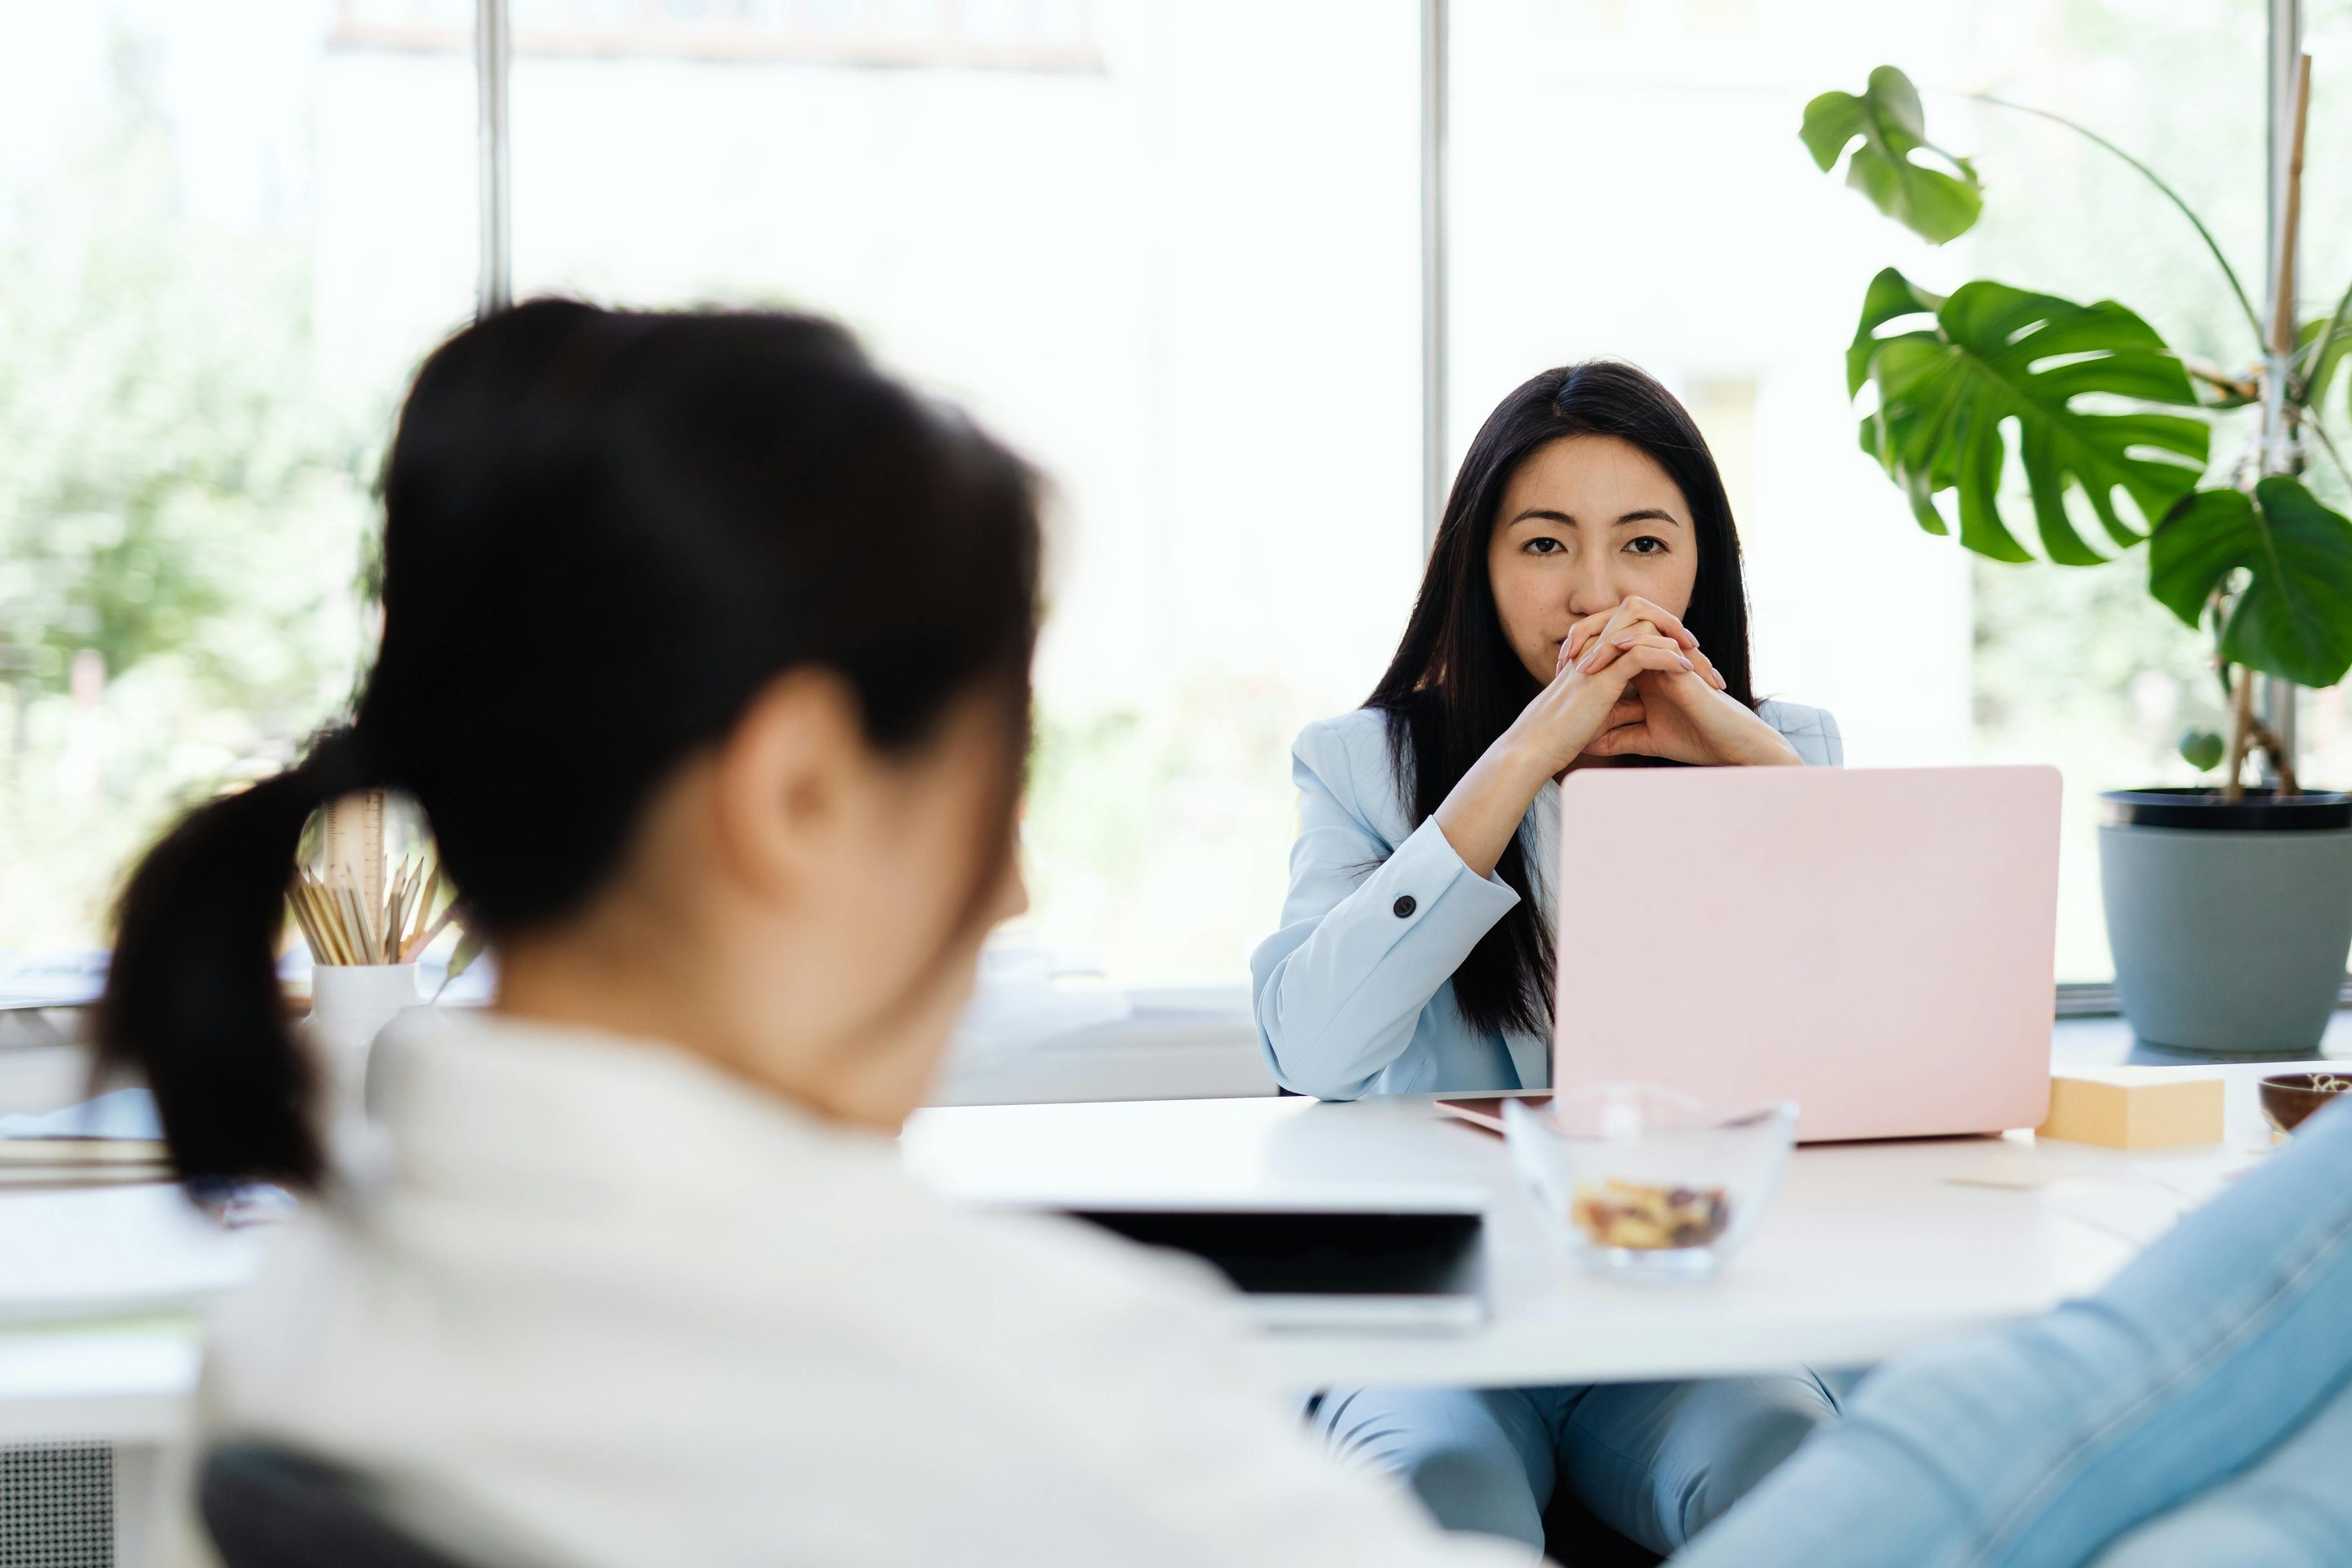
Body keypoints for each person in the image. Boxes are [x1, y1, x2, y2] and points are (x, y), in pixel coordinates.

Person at [100, 304, 2352, 1568]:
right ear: (797, 792)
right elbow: (1310, 1041)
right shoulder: (1025, 1392)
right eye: (992, 790)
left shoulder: (307, 1310)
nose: (1009, 891)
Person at [1251, 363, 1840, 1555]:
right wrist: (1521, 756)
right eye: (1543, 545)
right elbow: (1306, 1045)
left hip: (1683, 1304)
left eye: (1643, 544)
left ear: (1702, 566)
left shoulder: (1787, 751)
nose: (1595, 593)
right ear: (1479, 565)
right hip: (1442, 1324)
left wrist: (1743, 756)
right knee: (1438, 1493)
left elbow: (1893, 1008)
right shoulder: (1359, 763)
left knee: (1788, 1467)